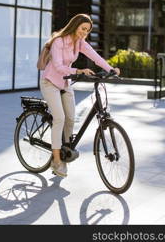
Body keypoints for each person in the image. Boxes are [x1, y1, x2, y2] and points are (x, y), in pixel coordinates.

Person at [40, 13, 120, 177]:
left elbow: (95, 57)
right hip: (50, 82)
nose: (85, 33)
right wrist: (78, 70)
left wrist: (110, 69)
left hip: (65, 82)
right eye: (83, 29)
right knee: (60, 118)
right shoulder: (58, 41)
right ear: (75, 25)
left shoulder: (80, 43)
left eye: (87, 30)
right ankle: (56, 161)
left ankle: (66, 149)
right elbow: (58, 66)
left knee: (70, 118)